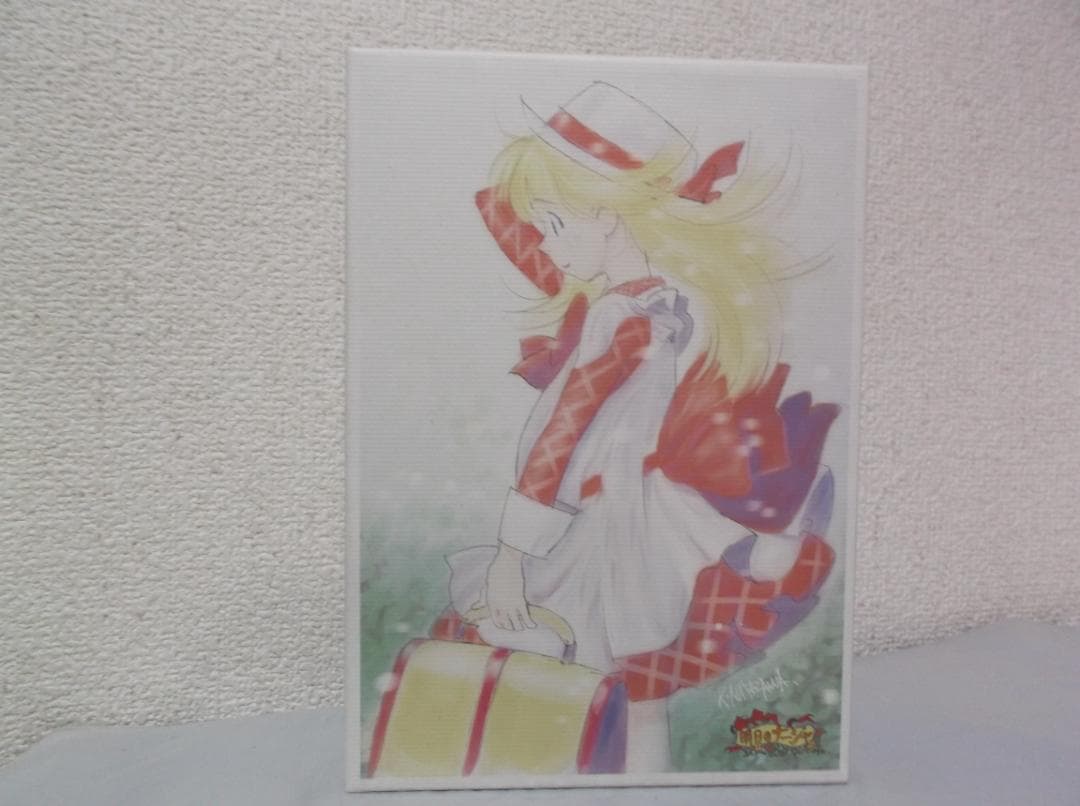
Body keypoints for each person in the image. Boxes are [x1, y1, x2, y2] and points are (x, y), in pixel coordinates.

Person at [440, 82, 838, 772]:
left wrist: (512, 554)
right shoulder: (654, 303)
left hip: (598, 523)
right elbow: (515, 225)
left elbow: (561, 435)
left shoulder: (620, 320)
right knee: (637, 684)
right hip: (630, 510)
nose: (544, 244)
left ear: (606, 215)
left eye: (553, 224)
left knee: (587, 672)